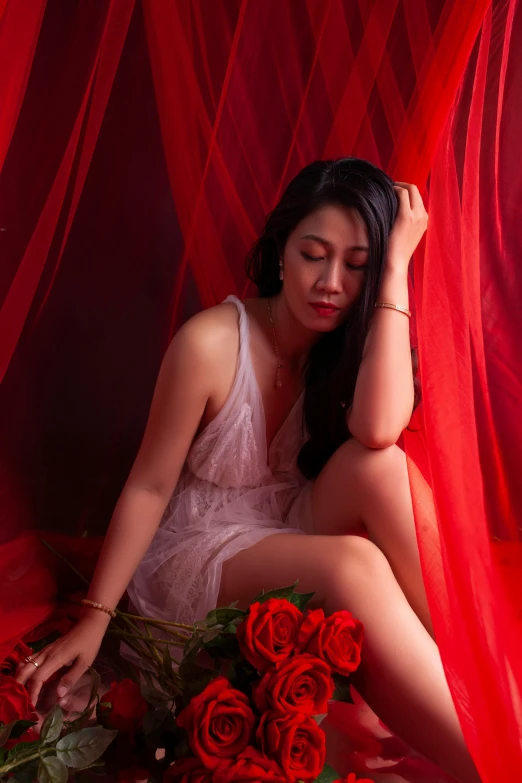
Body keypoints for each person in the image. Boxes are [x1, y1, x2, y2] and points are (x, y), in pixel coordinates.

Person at [16, 158, 481, 783]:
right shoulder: (211, 342)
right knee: (355, 563)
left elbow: (377, 432)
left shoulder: (341, 347)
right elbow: (150, 485)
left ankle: (484, 697)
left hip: (283, 525)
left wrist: (395, 269)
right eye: (314, 254)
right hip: (195, 556)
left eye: (357, 265)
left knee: (385, 468)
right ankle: (495, 761)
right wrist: (98, 618)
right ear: (280, 251)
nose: (331, 283)